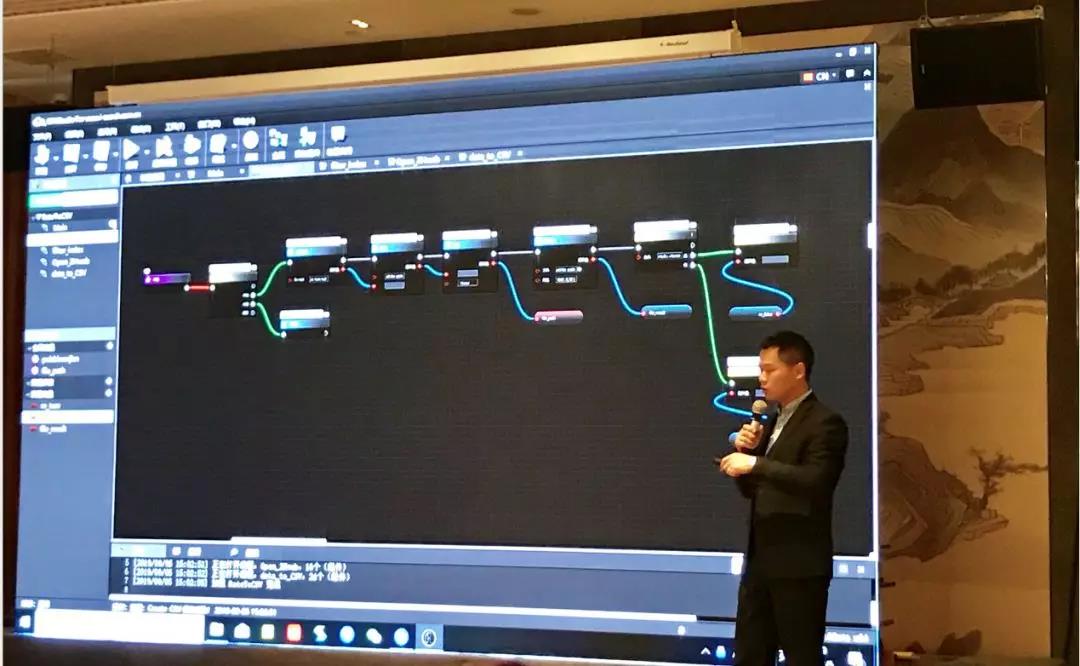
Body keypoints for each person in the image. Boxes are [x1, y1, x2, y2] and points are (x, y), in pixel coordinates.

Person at [716, 331, 848, 666]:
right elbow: (754, 491)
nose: (761, 378)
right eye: (760, 370)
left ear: (798, 370)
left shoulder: (825, 422)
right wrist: (747, 453)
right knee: (750, 656)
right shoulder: (772, 420)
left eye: (769, 370)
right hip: (760, 564)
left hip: (798, 567)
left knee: (801, 657)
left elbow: (817, 481)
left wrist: (756, 464)